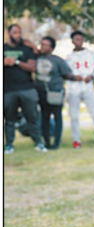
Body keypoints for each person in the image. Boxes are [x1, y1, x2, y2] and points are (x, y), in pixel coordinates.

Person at [3, 24, 47, 154]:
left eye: (20, 32)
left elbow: (33, 67)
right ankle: (9, 145)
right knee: (9, 119)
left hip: (27, 88)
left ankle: (39, 143)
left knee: (32, 117)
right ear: (9, 33)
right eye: (15, 32)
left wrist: (16, 62)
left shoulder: (26, 49)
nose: (18, 35)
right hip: (8, 90)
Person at [34, 36, 73, 150]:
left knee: (57, 117)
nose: (42, 46)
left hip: (55, 92)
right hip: (42, 93)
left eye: (45, 45)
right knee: (44, 117)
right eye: (41, 44)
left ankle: (56, 143)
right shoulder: (37, 58)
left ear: (51, 48)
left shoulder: (57, 60)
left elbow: (67, 73)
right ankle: (46, 142)